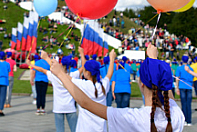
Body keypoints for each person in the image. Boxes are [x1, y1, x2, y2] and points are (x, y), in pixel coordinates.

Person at [49, 44, 184, 132]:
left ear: (141, 83)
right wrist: (154, 60)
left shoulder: (132, 118)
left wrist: (60, 74)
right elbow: (166, 89)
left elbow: (85, 103)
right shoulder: (175, 115)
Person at [27, 52, 79, 132]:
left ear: (61, 64)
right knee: (74, 129)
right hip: (70, 107)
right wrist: (82, 54)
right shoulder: (74, 75)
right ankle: (42, 108)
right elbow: (83, 67)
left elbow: (41, 69)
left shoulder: (54, 76)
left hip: (58, 108)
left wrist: (30, 64)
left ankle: (39, 108)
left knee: (60, 130)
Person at [174, 55, 194, 126]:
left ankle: (184, 120)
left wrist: (177, 87)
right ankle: (189, 120)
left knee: (183, 104)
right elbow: (192, 77)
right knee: (188, 104)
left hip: (182, 86)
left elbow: (177, 78)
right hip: (189, 86)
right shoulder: (191, 68)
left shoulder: (179, 68)